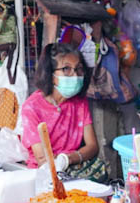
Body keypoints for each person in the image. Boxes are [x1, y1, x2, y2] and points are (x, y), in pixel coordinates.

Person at [19, 42, 107, 182]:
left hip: (73, 166)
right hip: (43, 174)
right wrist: (63, 162)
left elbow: (92, 146)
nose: (75, 75)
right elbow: (43, 160)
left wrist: (68, 159)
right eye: (66, 69)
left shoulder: (79, 102)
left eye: (78, 69)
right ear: (51, 74)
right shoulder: (32, 108)